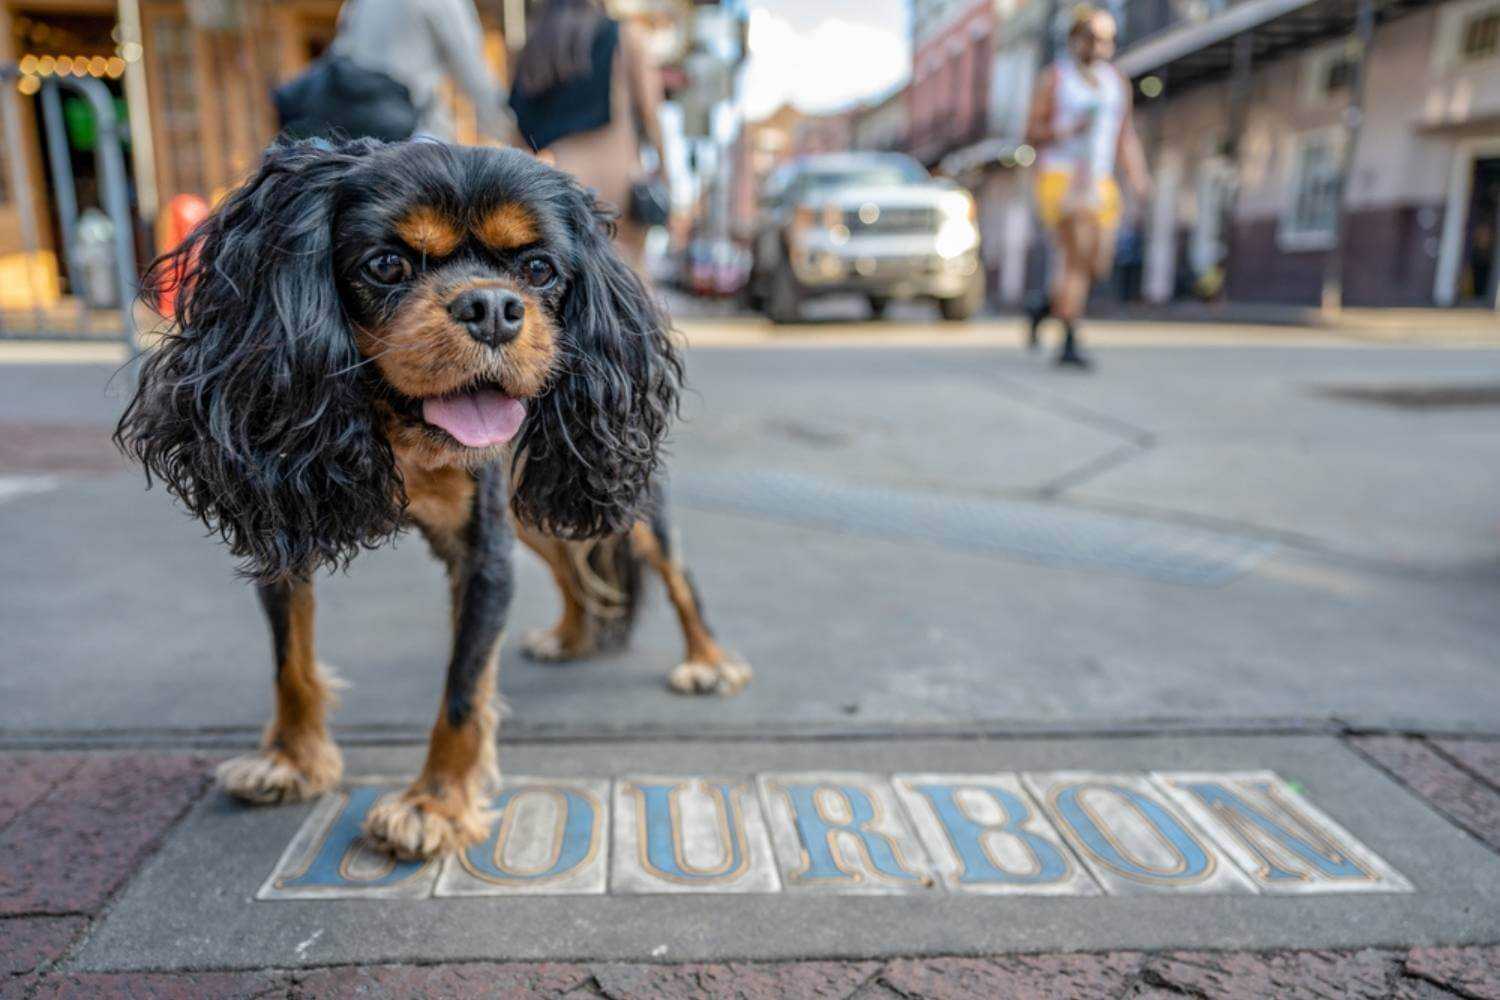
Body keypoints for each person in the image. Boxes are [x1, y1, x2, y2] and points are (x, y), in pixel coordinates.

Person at [1024, 5, 1150, 369]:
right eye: (1094, 38)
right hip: (1060, 177)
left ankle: (1045, 307)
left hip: (1099, 179)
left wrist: (1138, 176)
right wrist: (1066, 130)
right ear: (1075, 40)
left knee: (1099, 263)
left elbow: (1124, 136)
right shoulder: (1056, 78)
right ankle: (1069, 341)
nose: (1101, 46)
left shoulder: (1116, 83)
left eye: (1109, 39)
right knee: (1076, 256)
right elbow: (1030, 133)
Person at [507, 0, 670, 267]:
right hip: (620, 188)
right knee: (628, 286)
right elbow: (652, 115)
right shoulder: (624, 37)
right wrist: (666, 175)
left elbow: (520, 132)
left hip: (557, 188)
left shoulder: (534, 47)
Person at [293, 0, 511, 142]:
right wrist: (509, 133)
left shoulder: (358, 4)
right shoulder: (445, 3)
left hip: (356, 132)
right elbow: (473, 76)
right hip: (415, 131)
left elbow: (341, 53)